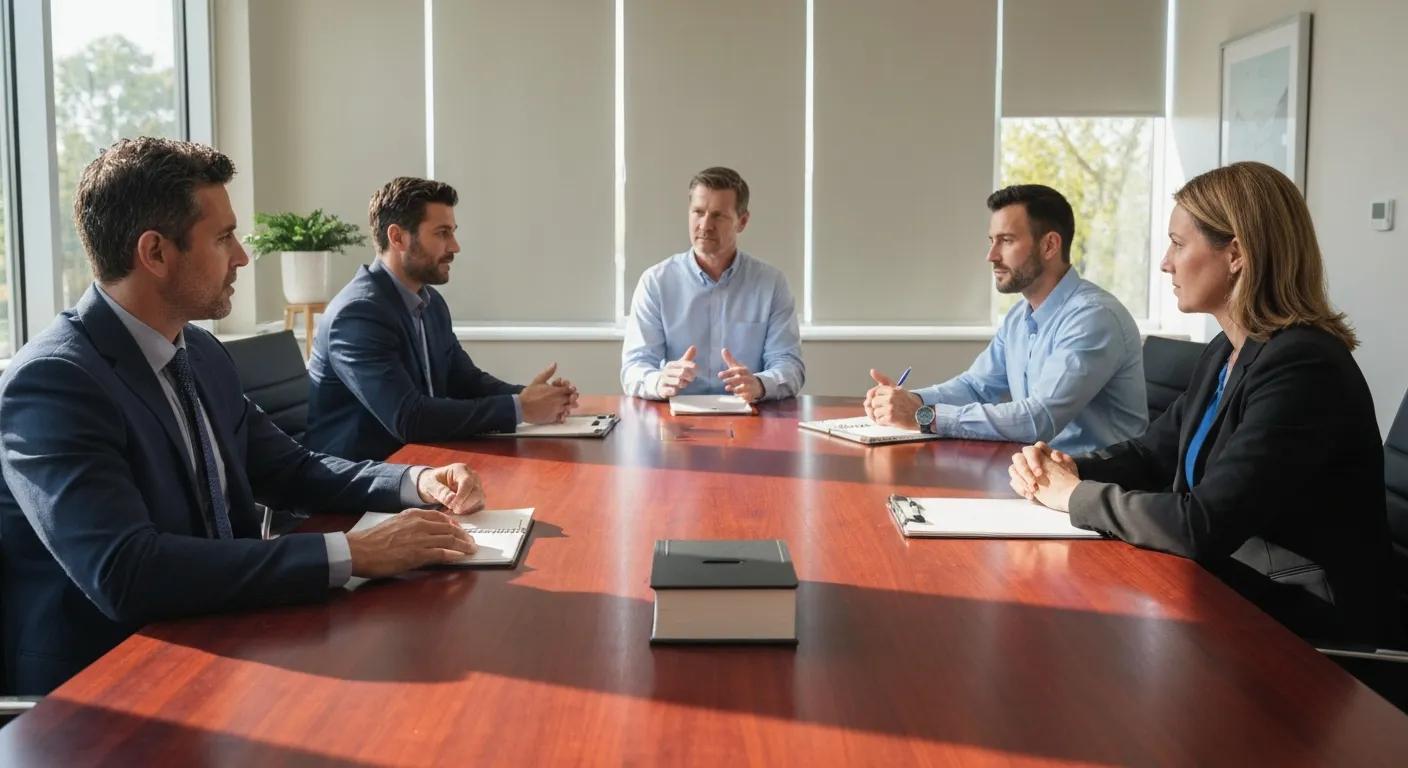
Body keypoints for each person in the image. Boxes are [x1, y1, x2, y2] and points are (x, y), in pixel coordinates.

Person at [0, 139, 487, 695]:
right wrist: (354, 552)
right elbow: (127, 571)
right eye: (223, 237)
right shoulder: (54, 382)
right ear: (155, 253)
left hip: (224, 640)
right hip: (108, 689)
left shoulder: (200, 353)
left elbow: (291, 469)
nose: (242, 257)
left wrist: (415, 481)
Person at [1009, 162, 1397, 645]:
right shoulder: (1226, 350)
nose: (1165, 263)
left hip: (1309, 623)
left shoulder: (1303, 366)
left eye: (1178, 243)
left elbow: (1203, 524)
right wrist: (1068, 468)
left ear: (1236, 254)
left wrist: (1074, 496)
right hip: (1237, 585)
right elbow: (1153, 453)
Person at [305, 177, 578, 461]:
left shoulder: (430, 302)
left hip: (418, 463)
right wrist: (520, 408)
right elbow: (409, 418)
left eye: (453, 232)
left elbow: (465, 380)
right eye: (442, 233)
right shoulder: (358, 314)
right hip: (361, 475)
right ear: (397, 237)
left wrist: (533, 397)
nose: (455, 246)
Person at [864, 184, 1147, 454]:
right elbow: (976, 387)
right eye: (992, 241)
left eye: (1006, 241)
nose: (991, 256)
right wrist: (909, 401)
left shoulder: (1094, 318)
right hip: (1038, 470)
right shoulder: (1018, 318)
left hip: (1096, 479)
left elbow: (1038, 419)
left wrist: (924, 415)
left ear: (1049, 245)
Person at [621, 166, 804, 402]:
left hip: (749, 414)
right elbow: (634, 366)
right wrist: (659, 381)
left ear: (742, 221)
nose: (705, 225)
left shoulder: (771, 284)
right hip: (675, 415)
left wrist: (760, 384)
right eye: (698, 212)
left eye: (718, 216)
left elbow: (789, 365)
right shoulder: (656, 282)